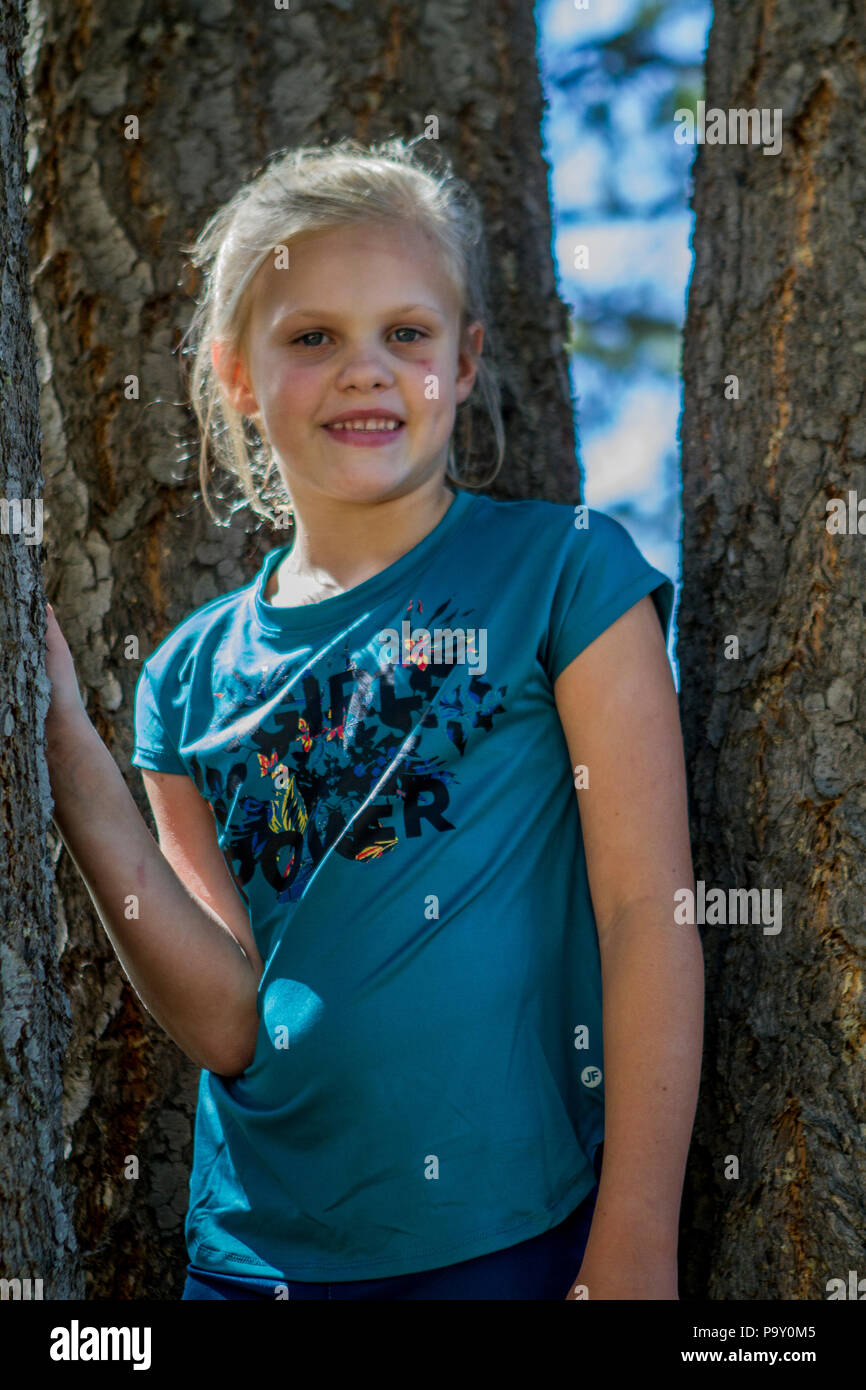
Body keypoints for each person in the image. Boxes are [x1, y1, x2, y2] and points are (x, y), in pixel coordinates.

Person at [44, 137, 703, 1301]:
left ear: (462, 362)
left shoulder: (564, 574)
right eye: (312, 338)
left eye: (406, 333)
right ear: (237, 376)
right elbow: (230, 1020)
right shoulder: (187, 677)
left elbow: (644, 912)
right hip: (251, 1265)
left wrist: (634, 1245)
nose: (366, 370)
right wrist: (67, 755)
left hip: (513, 1238)